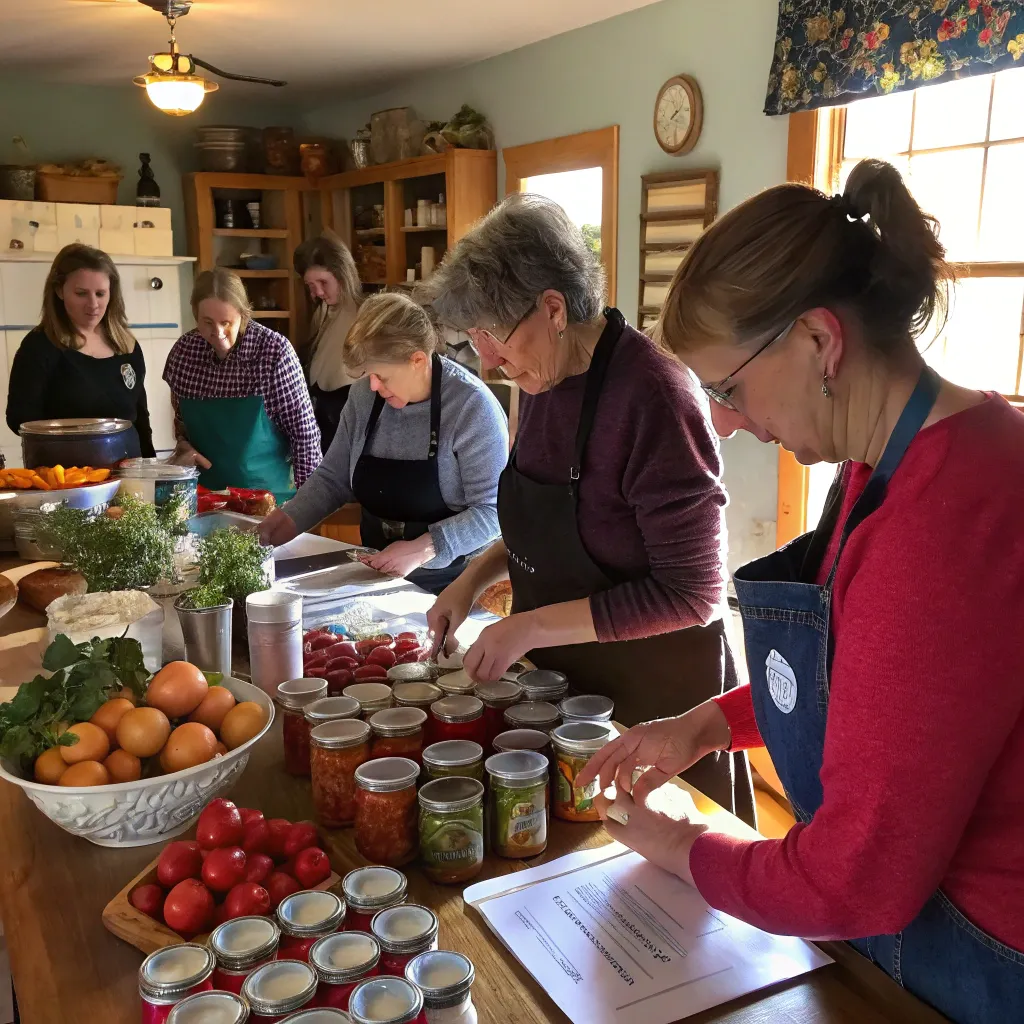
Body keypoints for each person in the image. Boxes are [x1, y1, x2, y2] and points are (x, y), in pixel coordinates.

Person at [579, 159, 1024, 1024]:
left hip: (971, 952)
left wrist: (679, 846)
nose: (724, 422)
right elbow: (872, 678)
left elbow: (855, 881)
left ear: (819, 342)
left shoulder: (941, 524)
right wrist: (704, 725)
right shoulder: (896, 461)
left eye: (730, 388)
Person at [422, 194, 752, 822]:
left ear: (552, 308)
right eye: (476, 340)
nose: (488, 358)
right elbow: (554, 528)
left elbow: (695, 593)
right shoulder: (542, 380)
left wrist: (529, 626)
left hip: (659, 707)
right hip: (569, 690)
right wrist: (471, 580)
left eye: (494, 336)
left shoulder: (656, 396)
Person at [259, 291, 508, 595]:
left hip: (455, 584)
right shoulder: (364, 396)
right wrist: (286, 520)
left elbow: (493, 512)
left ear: (417, 359)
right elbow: (333, 479)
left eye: (382, 375)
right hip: (372, 573)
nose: (373, 385)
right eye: (368, 374)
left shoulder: (472, 407)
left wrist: (424, 548)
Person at [164, 268, 321, 504]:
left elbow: (304, 435)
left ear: (243, 315)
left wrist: (309, 505)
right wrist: (184, 447)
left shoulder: (273, 352)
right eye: (207, 322)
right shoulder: (184, 353)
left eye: (226, 322)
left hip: (269, 498)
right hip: (207, 497)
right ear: (195, 315)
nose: (218, 333)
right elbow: (181, 423)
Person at [6, 244, 155, 458]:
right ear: (59, 291)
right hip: (64, 479)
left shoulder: (127, 346)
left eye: (101, 293)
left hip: (127, 475)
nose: (93, 304)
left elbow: (140, 419)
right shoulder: (38, 347)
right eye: (81, 293)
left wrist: (150, 471)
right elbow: (19, 420)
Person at [293, 233, 363, 449]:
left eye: (323, 282)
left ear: (343, 275)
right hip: (321, 431)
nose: (317, 292)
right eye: (310, 285)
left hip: (349, 434)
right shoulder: (321, 314)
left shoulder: (366, 317)